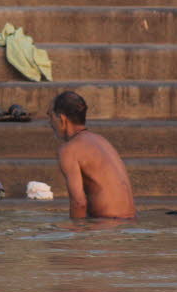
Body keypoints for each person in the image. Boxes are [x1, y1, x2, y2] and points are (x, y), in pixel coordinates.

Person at [48, 91, 136, 219]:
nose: (49, 122)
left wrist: (75, 235)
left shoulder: (69, 150)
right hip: (130, 222)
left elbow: (79, 202)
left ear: (62, 119)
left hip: (107, 226)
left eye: (50, 116)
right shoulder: (101, 141)